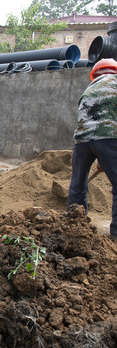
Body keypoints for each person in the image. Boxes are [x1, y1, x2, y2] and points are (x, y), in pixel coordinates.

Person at [67, 58, 117, 241]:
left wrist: (101, 159)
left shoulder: (88, 90)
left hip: (81, 142)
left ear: (94, 74)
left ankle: (74, 226)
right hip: (108, 138)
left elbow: (90, 125)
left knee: (78, 185)